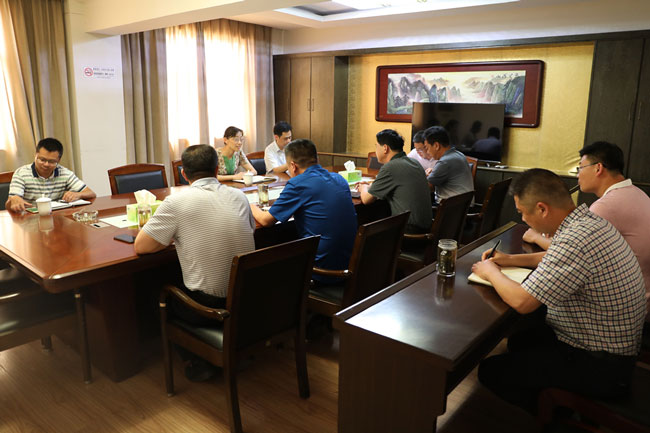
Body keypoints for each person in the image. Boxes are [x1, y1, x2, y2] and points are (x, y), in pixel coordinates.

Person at [471, 168, 646, 414]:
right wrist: (508, 259)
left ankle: (558, 411)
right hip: (611, 347)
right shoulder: (588, 223)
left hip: (602, 365)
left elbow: (523, 302)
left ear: (542, 209)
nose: (523, 219)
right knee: (522, 339)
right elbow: (554, 256)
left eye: (523, 212)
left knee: (491, 371)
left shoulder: (575, 240)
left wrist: (490, 272)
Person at [134, 144, 255, 380]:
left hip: (209, 306)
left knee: (153, 288)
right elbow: (249, 230)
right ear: (217, 169)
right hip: (245, 295)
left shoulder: (176, 202)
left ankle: (198, 359)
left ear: (183, 174)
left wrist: (174, 235)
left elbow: (141, 246)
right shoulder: (239, 196)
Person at [522, 141, 650, 314]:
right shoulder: (636, 192)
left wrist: (536, 237)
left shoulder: (606, 206)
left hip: (627, 305)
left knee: (536, 303)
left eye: (580, 168)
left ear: (598, 168)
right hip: (636, 295)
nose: (578, 175)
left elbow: (569, 250)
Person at [250, 139, 357, 280]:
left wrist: (249, 205)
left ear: (293, 166)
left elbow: (266, 221)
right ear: (317, 159)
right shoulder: (339, 179)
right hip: (350, 265)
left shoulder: (298, 183)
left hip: (321, 270)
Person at [358, 129, 432, 234]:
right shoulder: (414, 162)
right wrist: (371, 186)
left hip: (409, 228)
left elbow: (366, 199)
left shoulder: (390, 167)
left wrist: (363, 188)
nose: (376, 150)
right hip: (426, 225)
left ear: (385, 148)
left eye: (376, 146)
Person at [6, 137, 96, 213]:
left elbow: (91, 193)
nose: (46, 164)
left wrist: (78, 194)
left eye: (52, 161)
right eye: (42, 160)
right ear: (35, 155)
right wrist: (14, 200)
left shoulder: (65, 173)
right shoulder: (21, 173)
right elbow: (9, 204)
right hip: (28, 218)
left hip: (57, 218)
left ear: (59, 160)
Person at [423, 126, 474, 203]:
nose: (427, 152)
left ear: (436, 145)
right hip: (464, 204)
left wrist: (424, 175)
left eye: (427, 148)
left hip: (452, 207)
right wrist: (433, 172)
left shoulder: (445, 162)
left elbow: (427, 187)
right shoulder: (459, 154)